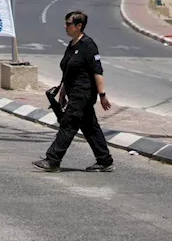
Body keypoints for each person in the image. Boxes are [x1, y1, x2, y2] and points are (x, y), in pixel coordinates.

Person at [33, 10, 114, 172]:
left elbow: (97, 71)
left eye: (69, 24)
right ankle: (104, 160)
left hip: (83, 94)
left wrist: (102, 95)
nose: (65, 26)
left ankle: (53, 159)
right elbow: (68, 72)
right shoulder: (72, 45)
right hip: (72, 92)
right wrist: (62, 92)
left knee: (68, 124)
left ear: (79, 26)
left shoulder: (88, 45)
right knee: (89, 126)